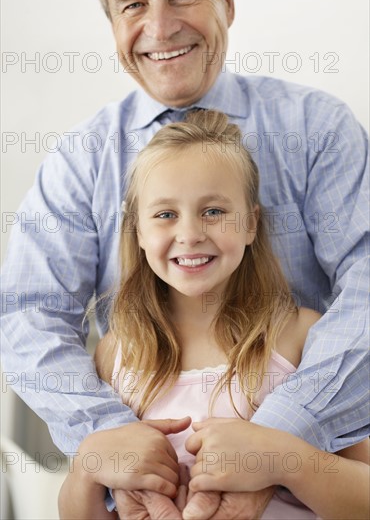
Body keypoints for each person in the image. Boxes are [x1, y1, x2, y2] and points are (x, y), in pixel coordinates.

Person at [1, 0, 369, 517]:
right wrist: (113, 447)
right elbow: (28, 315)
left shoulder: (318, 130)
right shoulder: (79, 163)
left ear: (227, 2)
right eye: (131, 4)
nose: (160, 26)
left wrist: (277, 444)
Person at [58, 110, 369, 520]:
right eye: (166, 214)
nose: (190, 234)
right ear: (138, 230)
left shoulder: (303, 336)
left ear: (251, 224)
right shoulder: (118, 354)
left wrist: (285, 460)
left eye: (214, 212)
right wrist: (87, 465)